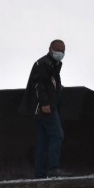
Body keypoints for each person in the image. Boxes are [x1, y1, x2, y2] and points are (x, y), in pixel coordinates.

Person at [21, 39, 66, 178]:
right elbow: (38, 84)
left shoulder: (54, 64)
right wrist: (45, 103)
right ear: (50, 49)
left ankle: (40, 173)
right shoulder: (43, 63)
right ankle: (53, 168)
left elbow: (49, 82)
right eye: (58, 49)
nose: (60, 52)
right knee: (57, 135)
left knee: (44, 141)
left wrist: (59, 88)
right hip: (45, 108)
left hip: (49, 107)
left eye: (63, 50)